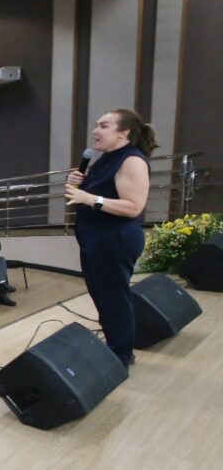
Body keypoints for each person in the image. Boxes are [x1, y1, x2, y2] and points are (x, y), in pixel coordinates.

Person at [65, 109, 155, 368]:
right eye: (96, 125)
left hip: (114, 240)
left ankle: (120, 357)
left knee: (114, 300)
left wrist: (90, 198)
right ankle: (117, 347)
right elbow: (94, 196)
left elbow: (134, 206)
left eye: (104, 126)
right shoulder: (106, 158)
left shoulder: (132, 161)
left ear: (123, 133)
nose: (96, 131)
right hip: (96, 240)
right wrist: (77, 184)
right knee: (105, 298)